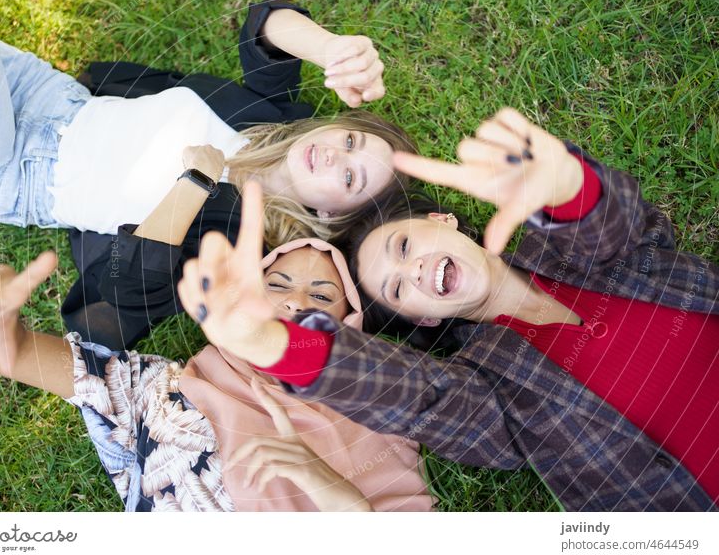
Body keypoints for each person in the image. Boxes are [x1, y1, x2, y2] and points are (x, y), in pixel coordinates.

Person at [176, 122, 718, 511]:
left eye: (406, 244)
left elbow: (625, 233)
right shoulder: (492, 386)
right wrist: (271, 342)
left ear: (446, 221)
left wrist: (569, 188)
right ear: (425, 320)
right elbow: (417, 399)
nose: (412, 270)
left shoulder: (562, 248)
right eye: (395, 287)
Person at [0, 0, 415, 348]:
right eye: (351, 139)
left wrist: (194, 183)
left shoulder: (237, 247)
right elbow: (265, 25)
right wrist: (330, 48)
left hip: (10, 172)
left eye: (349, 176)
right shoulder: (273, 117)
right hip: (49, 98)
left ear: (329, 215)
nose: (336, 154)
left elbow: (127, 289)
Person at [0, 188, 433, 512]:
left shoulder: (377, 412)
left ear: (349, 328)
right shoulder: (159, 387)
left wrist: (314, 475)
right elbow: (7, 353)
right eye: (275, 284)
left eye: (322, 298)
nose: (294, 301)